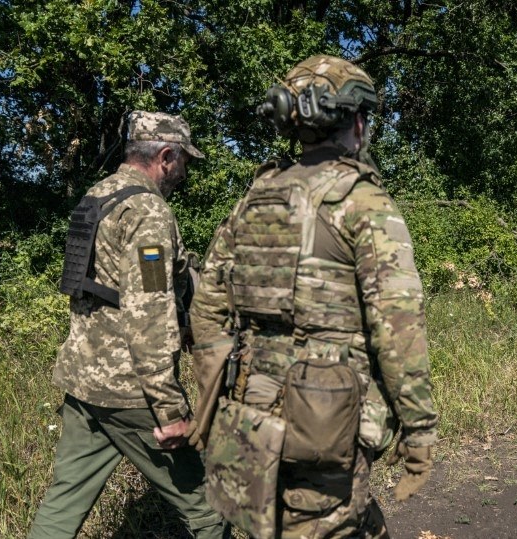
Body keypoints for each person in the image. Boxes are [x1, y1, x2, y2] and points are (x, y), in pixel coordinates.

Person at [187, 55, 439, 538]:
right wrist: (419, 428)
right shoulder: (362, 202)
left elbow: (208, 309)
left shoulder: (256, 197)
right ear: (357, 123)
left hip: (250, 411)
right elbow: (399, 328)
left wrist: (220, 395)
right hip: (327, 416)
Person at [29, 111, 227, 538]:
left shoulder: (97, 197)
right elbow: (149, 314)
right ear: (166, 156)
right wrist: (170, 409)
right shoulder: (148, 212)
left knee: (62, 505)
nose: (184, 172)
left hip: (84, 382)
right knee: (209, 508)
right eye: (184, 161)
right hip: (131, 393)